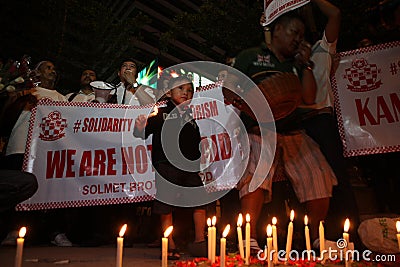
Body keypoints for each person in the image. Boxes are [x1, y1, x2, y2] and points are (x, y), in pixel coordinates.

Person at [233, 11, 337, 252]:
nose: (298, 40)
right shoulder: (250, 56)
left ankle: (318, 239)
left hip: (293, 129)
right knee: (256, 174)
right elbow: (232, 89)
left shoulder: (295, 65)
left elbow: (309, 97)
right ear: (278, 30)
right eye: (294, 33)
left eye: (301, 36)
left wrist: (307, 65)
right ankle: (248, 240)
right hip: (260, 128)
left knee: (318, 173)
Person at [295, 0, 361, 245]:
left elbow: (336, 12)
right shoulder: (289, 57)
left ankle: (346, 235)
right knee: (310, 182)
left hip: (322, 121)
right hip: (300, 126)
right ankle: (311, 237)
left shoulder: (324, 47)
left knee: (336, 177)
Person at [133, 76, 207, 259]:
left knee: (200, 202)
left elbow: (194, 144)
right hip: (166, 164)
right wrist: (140, 127)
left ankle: (200, 241)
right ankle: (169, 243)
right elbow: (142, 132)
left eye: (189, 90)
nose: (185, 92)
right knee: (166, 204)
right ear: (168, 92)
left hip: (190, 168)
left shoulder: (191, 117)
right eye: (180, 88)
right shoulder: (161, 111)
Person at [1, 60, 73, 247]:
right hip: (20, 147)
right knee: (17, 189)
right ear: (37, 72)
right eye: (48, 67)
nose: (53, 71)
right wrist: (17, 97)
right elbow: (6, 117)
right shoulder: (26, 91)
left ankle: (55, 232)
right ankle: (13, 229)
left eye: (54, 68)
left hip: (49, 151)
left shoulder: (62, 98)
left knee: (51, 191)